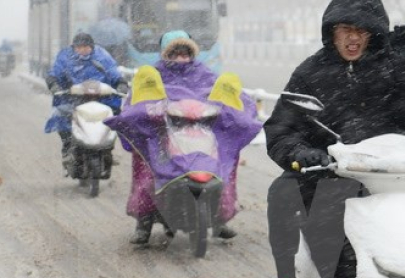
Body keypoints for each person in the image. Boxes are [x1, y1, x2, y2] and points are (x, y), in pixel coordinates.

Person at [262, 0, 405, 278]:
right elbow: (280, 130)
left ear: (373, 34)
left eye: (361, 30)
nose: (353, 39)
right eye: (345, 30)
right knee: (282, 195)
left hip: (390, 173)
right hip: (330, 171)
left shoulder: (392, 67)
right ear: (332, 33)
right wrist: (302, 154)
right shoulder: (310, 73)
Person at [112, 30, 259, 245]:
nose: (181, 58)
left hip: (201, 131)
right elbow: (138, 101)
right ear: (165, 54)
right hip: (162, 133)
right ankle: (144, 222)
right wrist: (147, 115)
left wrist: (231, 110)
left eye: (185, 53)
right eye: (175, 53)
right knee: (146, 167)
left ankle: (219, 219)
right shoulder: (153, 75)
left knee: (224, 163)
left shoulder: (203, 73)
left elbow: (221, 93)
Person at [43, 32, 128, 170]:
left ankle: (108, 147)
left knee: (115, 118)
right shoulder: (65, 57)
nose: (82, 50)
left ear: (92, 47)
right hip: (72, 99)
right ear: (74, 47)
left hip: (102, 99)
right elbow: (55, 73)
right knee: (60, 115)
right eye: (79, 47)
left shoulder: (102, 56)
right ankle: (67, 147)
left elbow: (113, 72)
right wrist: (54, 84)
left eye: (86, 47)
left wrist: (121, 83)